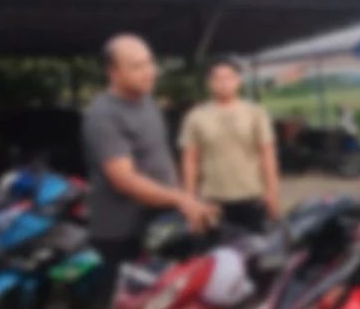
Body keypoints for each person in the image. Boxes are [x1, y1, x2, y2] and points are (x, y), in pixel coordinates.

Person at [84, 34, 216, 294]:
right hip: (123, 234)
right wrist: (181, 200)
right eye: (137, 66)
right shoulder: (103, 115)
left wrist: (184, 199)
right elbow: (124, 179)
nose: (150, 72)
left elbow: (160, 157)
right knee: (128, 305)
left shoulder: (147, 102)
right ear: (113, 72)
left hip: (156, 224)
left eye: (150, 63)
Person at [180, 57, 280, 234]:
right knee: (215, 248)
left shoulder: (255, 113)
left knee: (254, 247)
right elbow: (190, 160)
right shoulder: (195, 117)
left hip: (252, 197)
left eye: (229, 78)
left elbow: (267, 154)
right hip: (212, 201)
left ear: (238, 81)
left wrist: (272, 192)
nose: (223, 83)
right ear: (209, 83)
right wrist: (190, 198)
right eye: (217, 78)